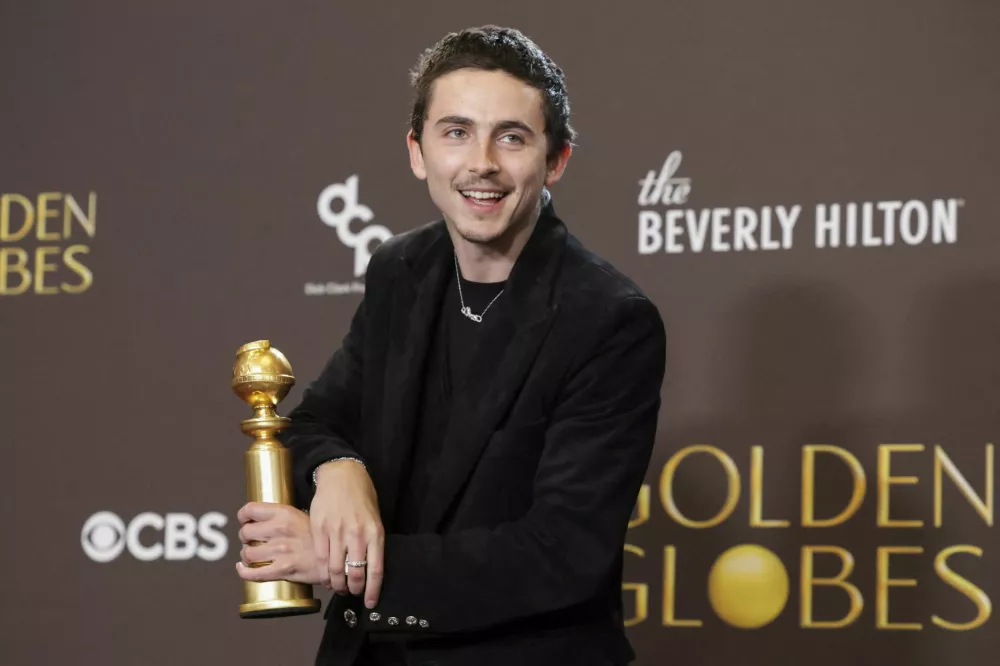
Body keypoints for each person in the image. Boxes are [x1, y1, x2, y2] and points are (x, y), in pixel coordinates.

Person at [235, 25, 666, 666]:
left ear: (556, 161)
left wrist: (343, 558)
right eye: (456, 131)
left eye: (511, 137)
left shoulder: (609, 319)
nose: (481, 162)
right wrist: (338, 471)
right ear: (418, 151)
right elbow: (318, 422)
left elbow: (561, 553)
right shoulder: (400, 270)